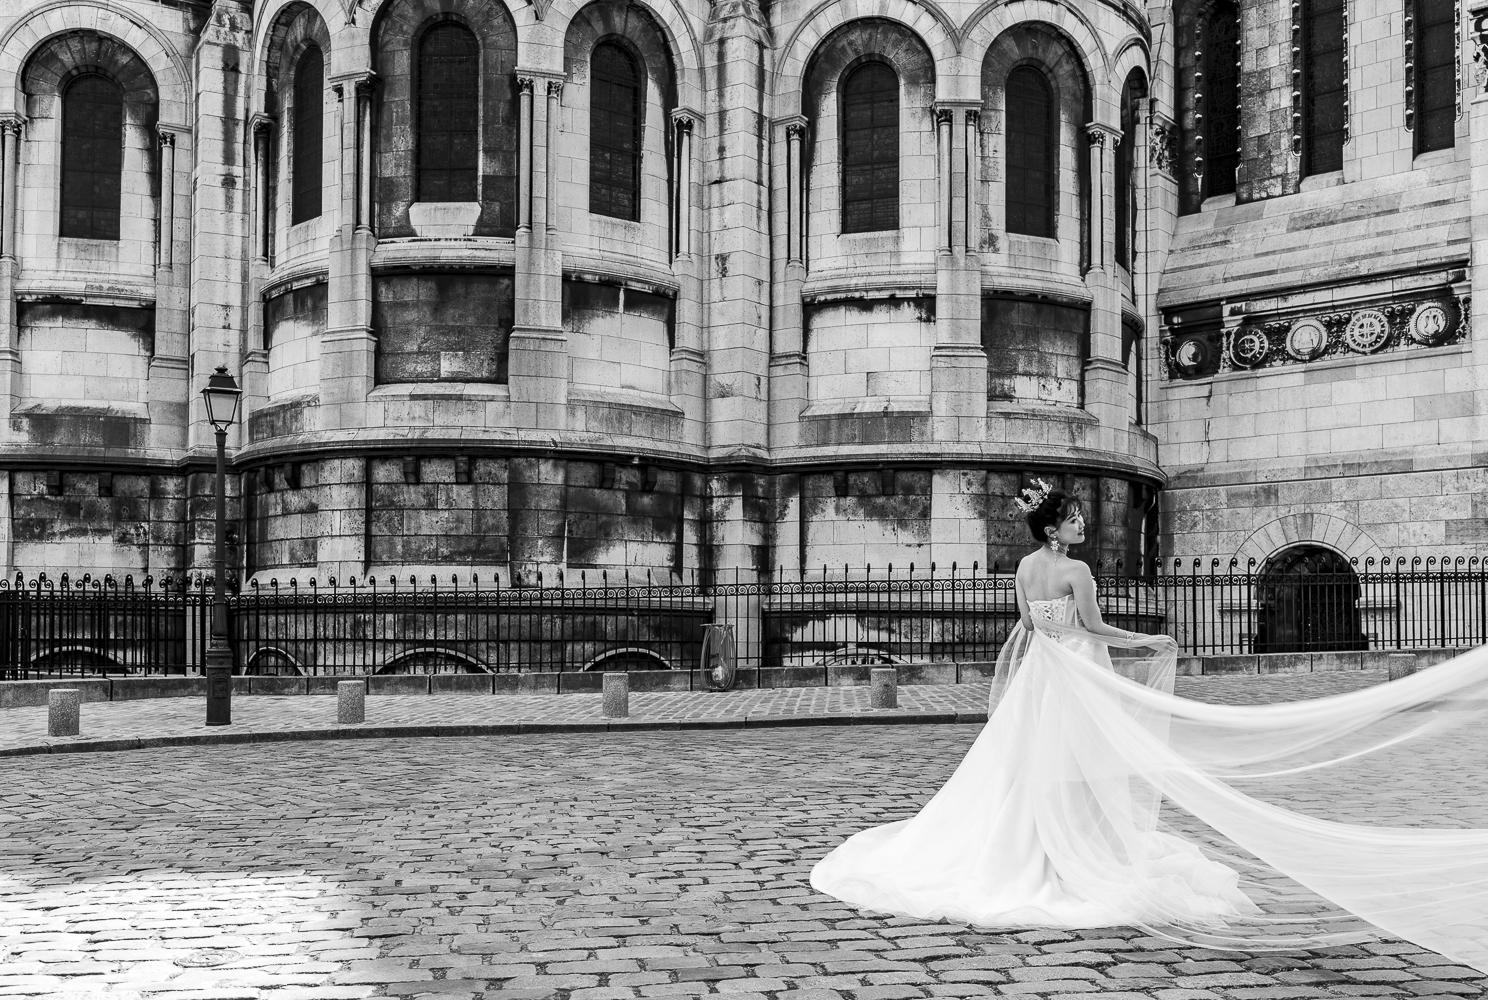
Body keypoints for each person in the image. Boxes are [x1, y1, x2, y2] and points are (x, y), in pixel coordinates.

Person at [810, 478, 1488, 972]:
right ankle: (1071, 853)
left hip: (1046, 672)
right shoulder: (1076, 570)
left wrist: (1045, 651)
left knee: (1030, 767)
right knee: (1080, 767)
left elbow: (1026, 623)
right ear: (1055, 530)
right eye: (1074, 518)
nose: (1083, 526)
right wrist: (1150, 643)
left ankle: (1040, 847)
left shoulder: (1023, 567)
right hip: (1079, 666)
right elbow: (1095, 627)